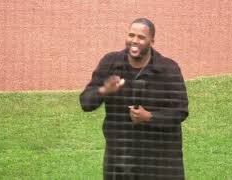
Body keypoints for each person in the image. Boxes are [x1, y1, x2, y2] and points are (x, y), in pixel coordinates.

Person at [80, 18, 189, 180]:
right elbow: (85, 102)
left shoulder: (168, 69)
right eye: (131, 35)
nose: (134, 41)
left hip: (159, 159)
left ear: (151, 41)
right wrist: (104, 90)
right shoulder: (110, 63)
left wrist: (150, 117)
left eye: (141, 37)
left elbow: (180, 111)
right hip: (121, 158)